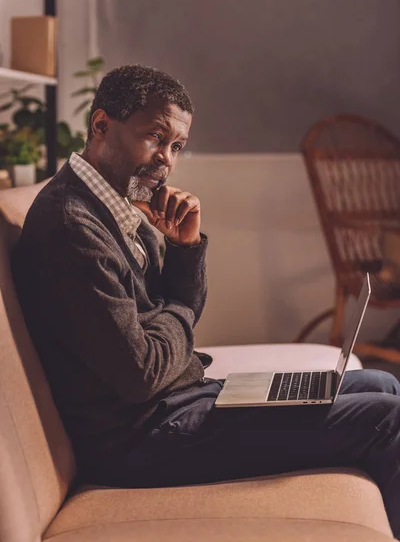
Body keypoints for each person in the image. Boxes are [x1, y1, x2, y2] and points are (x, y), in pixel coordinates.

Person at [12, 64, 400, 539]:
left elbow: (166, 324)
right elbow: (143, 372)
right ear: (101, 126)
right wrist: (180, 308)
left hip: (176, 403)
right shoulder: (73, 227)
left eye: (176, 146)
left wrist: (184, 247)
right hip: (143, 439)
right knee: (388, 419)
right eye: (155, 137)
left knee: (381, 382)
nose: (167, 160)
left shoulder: (112, 205)